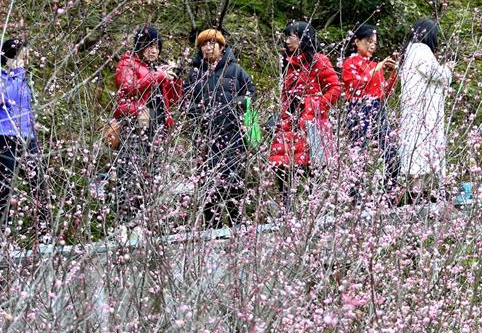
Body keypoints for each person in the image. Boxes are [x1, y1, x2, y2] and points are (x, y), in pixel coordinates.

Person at [112, 26, 183, 236]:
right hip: (135, 123)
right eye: (149, 46)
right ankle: (124, 222)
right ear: (140, 46)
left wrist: (174, 79)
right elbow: (127, 89)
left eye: (157, 46)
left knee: (153, 174)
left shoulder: (157, 69)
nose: (153, 51)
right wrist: (158, 76)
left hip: (158, 124)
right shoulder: (127, 63)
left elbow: (173, 99)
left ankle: (142, 222)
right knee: (130, 172)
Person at [184, 28, 255, 227]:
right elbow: (186, 101)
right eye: (204, 44)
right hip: (205, 139)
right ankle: (210, 231)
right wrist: (197, 114)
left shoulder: (236, 70)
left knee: (234, 185)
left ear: (222, 46)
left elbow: (250, 91)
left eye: (212, 43)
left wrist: (238, 104)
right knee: (209, 187)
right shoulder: (195, 74)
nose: (208, 47)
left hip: (233, 136)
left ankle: (236, 229)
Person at [268, 21, 342, 206]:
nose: (287, 41)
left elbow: (335, 88)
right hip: (289, 123)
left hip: (311, 124)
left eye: (290, 36)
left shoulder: (319, 60)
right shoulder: (288, 64)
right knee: (281, 166)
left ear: (303, 38)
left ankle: (310, 211)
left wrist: (312, 106)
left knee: (312, 170)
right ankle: (288, 210)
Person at [0, 38, 50, 236]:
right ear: (12, 55)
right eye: (23, 54)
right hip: (4, 136)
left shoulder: (23, 79)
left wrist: (33, 125)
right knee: (5, 187)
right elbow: (6, 98)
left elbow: (24, 106)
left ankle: (45, 234)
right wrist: (17, 72)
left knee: (39, 185)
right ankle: (3, 235)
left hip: (27, 138)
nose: (27, 58)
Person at [397, 18, 452, 203]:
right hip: (424, 111)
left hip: (413, 109)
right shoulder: (422, 50)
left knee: (416, 151)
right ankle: (423, 194)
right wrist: (448, 70)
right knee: (424, 149)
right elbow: (436, 74)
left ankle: (416, 192)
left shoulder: (409, 52)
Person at [341, 24, 399, 196]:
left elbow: (384, 92)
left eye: (374, 42)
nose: (372, 45)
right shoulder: (350, 63)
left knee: (391, 151)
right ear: (357, 42)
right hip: (358, 109)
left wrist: (394, 73)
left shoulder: (375, 65)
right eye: (368, 42)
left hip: (378, 108)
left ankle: (389, 194)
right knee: (358, 154)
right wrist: (378, 68)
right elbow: (356, 84)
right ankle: (355, 196)